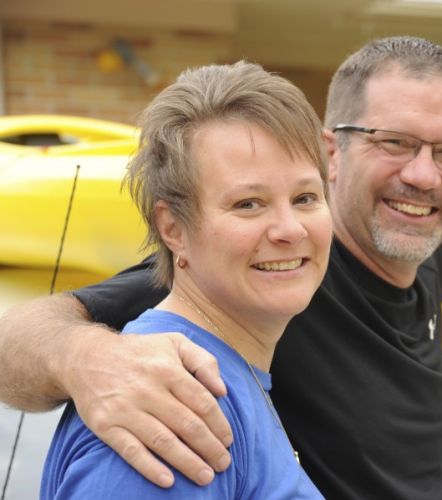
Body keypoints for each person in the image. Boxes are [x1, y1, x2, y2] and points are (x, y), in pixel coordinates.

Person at [0, 37, 442, 499]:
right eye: (394, 142)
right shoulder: (268, 275)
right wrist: (90, 358)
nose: (422, 177)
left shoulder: (417, 250)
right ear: (335, 152)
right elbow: (20, 341)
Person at [40, 61, 332, 498]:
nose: (290, 229)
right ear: (173, 227)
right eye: (248, 204)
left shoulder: (223, 374)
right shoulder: (172, 405)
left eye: (305, 197)